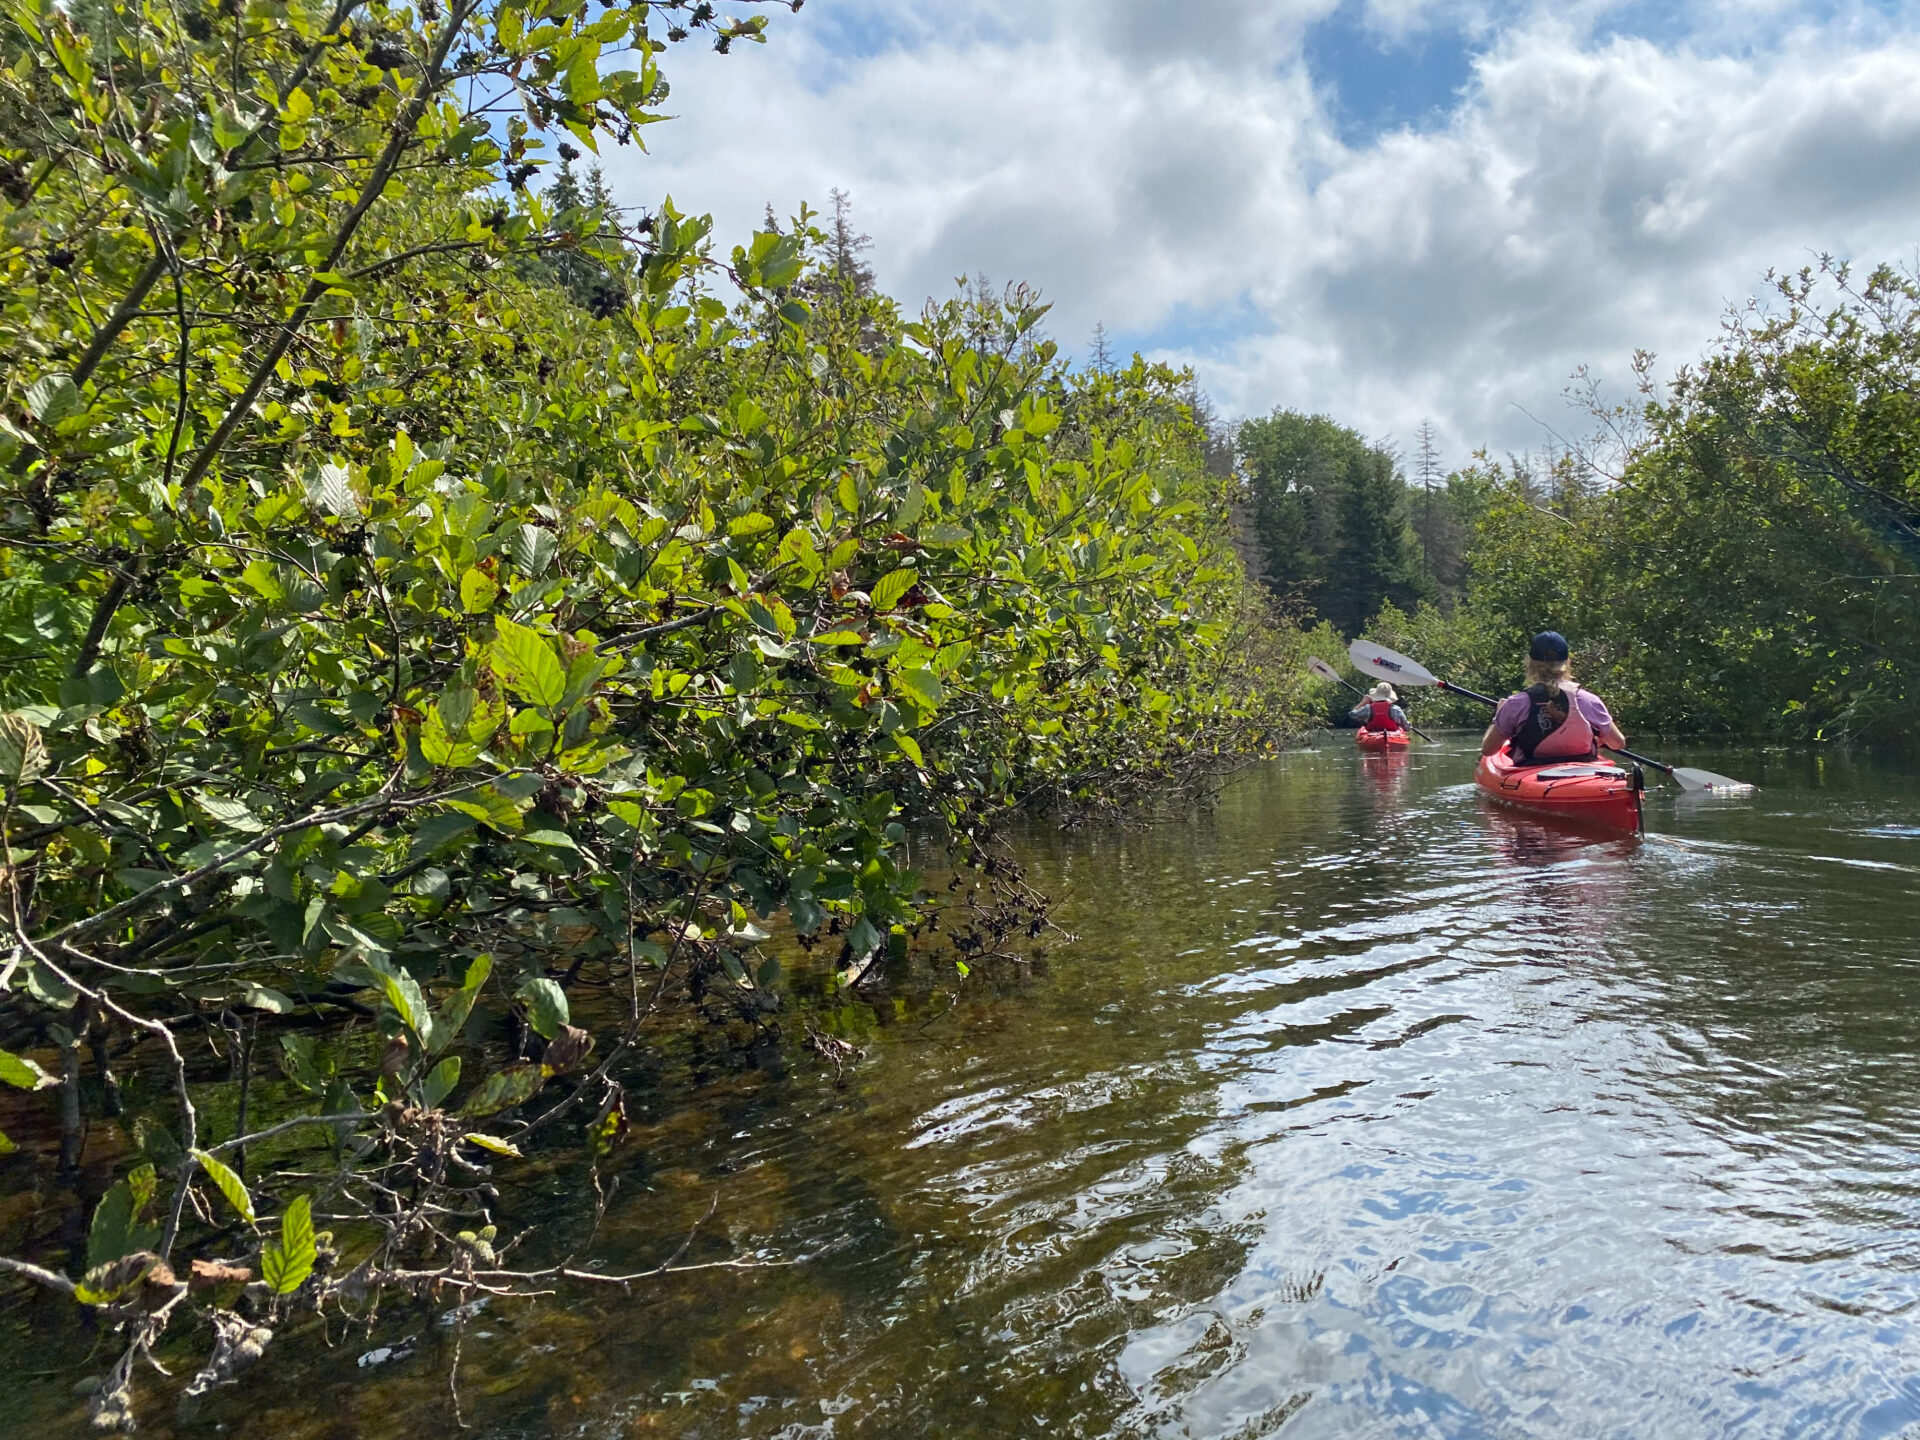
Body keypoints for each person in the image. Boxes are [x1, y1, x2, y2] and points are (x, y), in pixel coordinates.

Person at [1481, 631, 1626, 763]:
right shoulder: (1590, 700)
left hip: (1531, 774)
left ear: (1530, 663)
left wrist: (1498, 717)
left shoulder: (1515, 704)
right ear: (1568, 662)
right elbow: (1617, 743)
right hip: (1584, 768)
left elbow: (1488, 750)